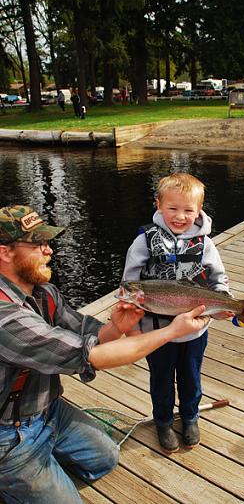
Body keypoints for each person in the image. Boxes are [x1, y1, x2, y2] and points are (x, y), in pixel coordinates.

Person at [0, 204, 206, 504]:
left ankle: (39, 468)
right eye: (39, 244)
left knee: (105, 457)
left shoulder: (43, 292)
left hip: (48, 410)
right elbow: (93, 356)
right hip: (8, 433)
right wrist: (172, 331)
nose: (50, 251)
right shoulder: (6, 318)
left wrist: (116, 326)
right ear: (5, 252)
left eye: (48, 243)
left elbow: (90, 334)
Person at [122, 173, 231, 453]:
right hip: (156, 333)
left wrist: (226, 304)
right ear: (158, 205)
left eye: (188, 210)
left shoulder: (205, 244)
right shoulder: (143, 241)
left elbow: (218, 280)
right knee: (160, 380)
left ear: (199, 211)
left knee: (191, 377)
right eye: (172, 208)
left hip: (195, 330)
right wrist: (132, 325)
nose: (180, 216)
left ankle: (191, 417)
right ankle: (163, 422)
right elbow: (128, 284)